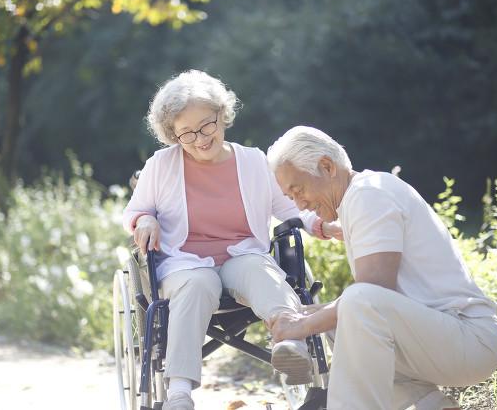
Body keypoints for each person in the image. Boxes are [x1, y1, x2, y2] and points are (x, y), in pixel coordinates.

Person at [122, 71, 342, 410]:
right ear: (173, 135)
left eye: (206, 125)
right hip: (185, 263)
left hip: (241, 255)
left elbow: (289, 208)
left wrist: (322, 226)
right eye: (186, 133)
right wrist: (146, 218)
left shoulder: (254, 162)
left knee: (260, 268)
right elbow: (134, 212)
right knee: (197, 284)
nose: (200, 138)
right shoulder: (161, 165)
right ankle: (179, 394)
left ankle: (290, 338)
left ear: (222, 115)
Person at [265, 126, 497, 410]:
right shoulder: (359, 195)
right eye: (290, 197)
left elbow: (372, 293)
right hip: (442, 337)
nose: (299, 203)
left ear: (327, 167)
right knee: (337, 320)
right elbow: (376, 304)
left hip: (469, 340)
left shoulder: (370, 194)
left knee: (354, 305)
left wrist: (302, 326)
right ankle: (431, 404)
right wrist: (307, 314)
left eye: (298, 190)